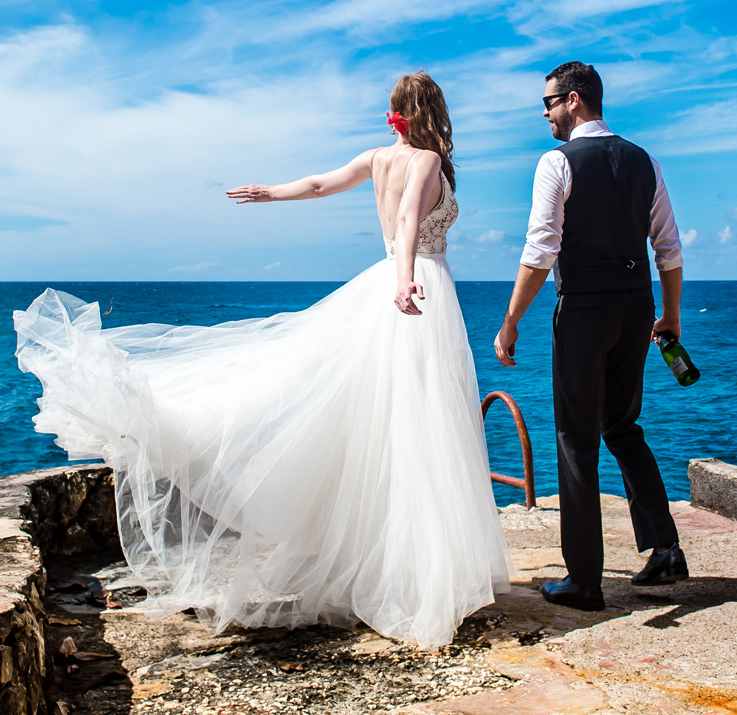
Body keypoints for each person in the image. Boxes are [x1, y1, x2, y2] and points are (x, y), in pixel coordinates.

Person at [15, 71, 511, 649]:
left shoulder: (376, 158)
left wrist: (271, 192)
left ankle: (393, 566)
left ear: (394, 112)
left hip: (388, 287)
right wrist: (405, 280)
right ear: (435, 110)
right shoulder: (424, 159)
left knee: (385, 427)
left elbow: (323, 184)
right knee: (421, 428)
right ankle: (416, 575)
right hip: (418, 288)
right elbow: (406, 223)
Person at [493, 61, 688, 612]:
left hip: (583, 309)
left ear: (575, 100)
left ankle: (583, 580)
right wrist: (671, 316)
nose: (547, 114)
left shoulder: (556, 161)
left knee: (577, 440)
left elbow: (540, 250)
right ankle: (666, 547)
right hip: (636, 305)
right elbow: (668, 247)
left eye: (550, 102)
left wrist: (510, 321)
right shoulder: (644, 160)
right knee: (623, 426)